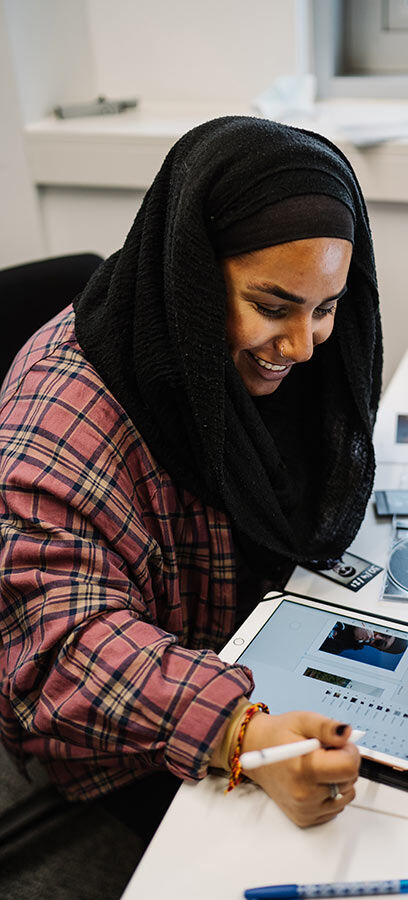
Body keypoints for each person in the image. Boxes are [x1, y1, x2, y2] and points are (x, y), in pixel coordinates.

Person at [0, 116, 382, 838]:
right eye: (273, 307)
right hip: (128, 735)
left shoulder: (246, 348)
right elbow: (62, 647)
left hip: (239, 640)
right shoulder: (60, 418)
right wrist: (242, 734)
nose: (302, 347)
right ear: (193, 275)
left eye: (325, 308)